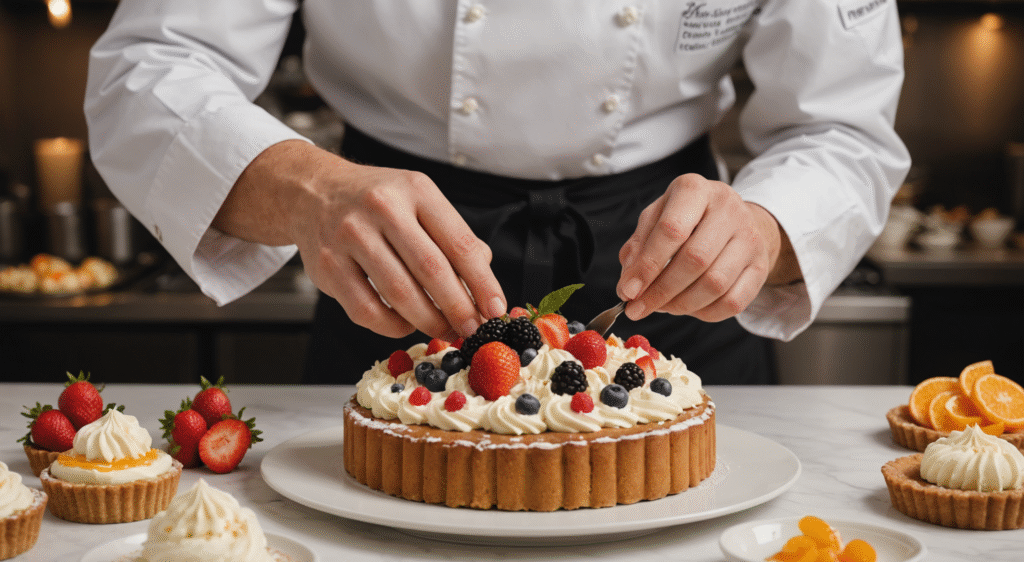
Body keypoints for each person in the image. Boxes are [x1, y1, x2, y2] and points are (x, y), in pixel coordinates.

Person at [84, 1, 910, 385]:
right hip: (391, 251)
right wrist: (309, 191)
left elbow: (841, 122)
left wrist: (764, 229)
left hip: (669, 272)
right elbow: (149, 68)